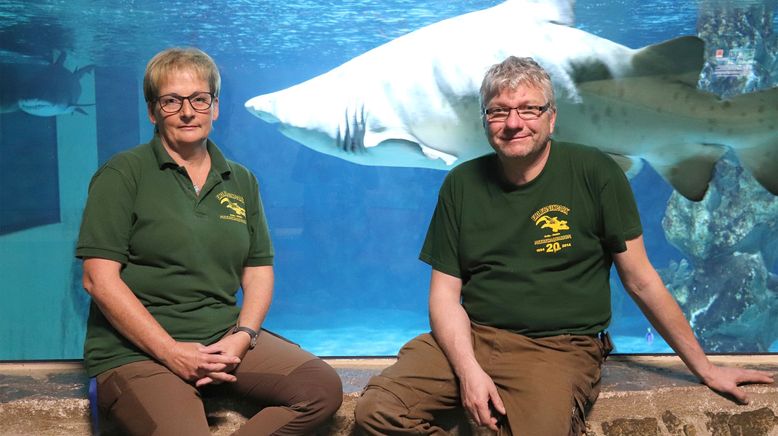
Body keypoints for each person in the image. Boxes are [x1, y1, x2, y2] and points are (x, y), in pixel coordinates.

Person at [354, 56, 774, 435]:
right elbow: (444, 298)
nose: (513, 123)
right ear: (484, 121)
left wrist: (704, 367)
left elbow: (642, 280)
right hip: (473, 336)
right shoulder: (461, 184)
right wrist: (468, 372)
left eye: (528, 109)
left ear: (551, 118)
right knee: (377, 411)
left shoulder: (596, 172)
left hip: (556, 346)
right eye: (498, 112)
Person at [76, 47, 342, 435]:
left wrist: (243, 336)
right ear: (152, 112)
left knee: (320, 389)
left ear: (214, 108)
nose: (188, 111)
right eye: (171, 101)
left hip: (221, 336)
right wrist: (171, 352)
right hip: (136, 352)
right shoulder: (123, 174)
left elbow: (258, 271)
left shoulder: (241, 180)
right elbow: (98, 279)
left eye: (200, 99)